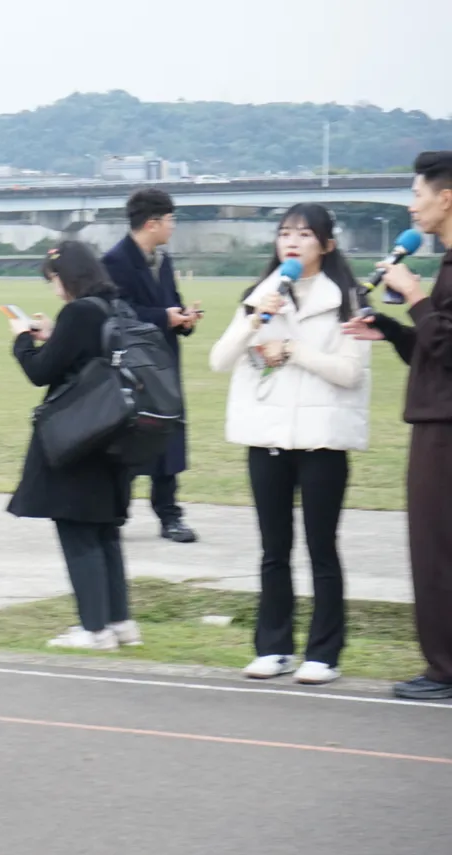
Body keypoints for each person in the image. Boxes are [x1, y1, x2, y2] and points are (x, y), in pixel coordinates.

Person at [209, 203, 372, 685]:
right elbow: (220, 360)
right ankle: (273, 647)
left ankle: (324, 653)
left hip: (323, 441)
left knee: (322, 548)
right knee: (273, 549)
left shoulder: (349, 299)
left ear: (327, 244)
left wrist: (294, 351)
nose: (292, 242)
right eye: (284, 234)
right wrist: (254, 319)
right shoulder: (261, 296)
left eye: (304, 234)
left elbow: (349, 372)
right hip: (268, 439)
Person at [343, 150, 452, 700]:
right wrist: (390, 329)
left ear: (446, 198)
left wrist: (414, 295)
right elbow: (433, 351)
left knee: (435, 550)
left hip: (444, 430)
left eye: (416, 195)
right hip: (439, 417)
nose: (411, 206)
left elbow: (448, 347)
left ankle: (444, 670)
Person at [8, 241, 138, 651]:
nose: (55, 289)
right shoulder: (115, 307)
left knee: (77, 530)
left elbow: (41, 370)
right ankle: (119, 622)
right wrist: (54, 335)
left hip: (81, 435)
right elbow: (86, 356)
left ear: (67, 276)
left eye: (54, 280)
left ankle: (94, 630)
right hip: (115, 433)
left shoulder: (79, 312)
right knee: (104, 530)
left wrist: (23, 340)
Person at [101, 189, 200, 543]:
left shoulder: (163, 260)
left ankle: (169, 515)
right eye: (170, 220)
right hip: (134, 366)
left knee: (168, 435)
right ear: (151, 223)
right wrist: (163, 317)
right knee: (129, 438)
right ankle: (112, 515)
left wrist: (185, 319)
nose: (173, 226)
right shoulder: (114, 261)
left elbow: (171, 304)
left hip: (165, 364)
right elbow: (118, 314)